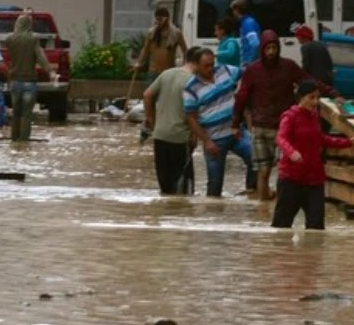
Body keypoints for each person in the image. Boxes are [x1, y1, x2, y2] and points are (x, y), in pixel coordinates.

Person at [233, 30, 341, 201]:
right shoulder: (253, 70)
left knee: (283, 170)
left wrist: (333, 93)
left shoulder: (288, 66)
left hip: (283, 127)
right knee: (264, 171)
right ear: (262, 48)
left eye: (274, 47)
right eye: (268, 48)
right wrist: (235, 123)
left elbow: (309, 82)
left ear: (279, 48)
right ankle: (264, 210)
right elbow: (241, 97)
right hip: (260, 127)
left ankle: (281, 206)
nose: (271, 52)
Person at [272, 80, 354, 229]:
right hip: (291, 179)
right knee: (281, 226)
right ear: (301, 98)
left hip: (314, 178)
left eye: (317, 98)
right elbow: (280, 137)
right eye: (311, 97)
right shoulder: (290, 116)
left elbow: (320, 138)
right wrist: (292, 152)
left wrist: (347, 142)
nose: (315, 102)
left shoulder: (314, 116)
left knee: (316, 227)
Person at [183, 49, 251, 197]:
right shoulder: (191, 88)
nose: (210, 69)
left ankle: (251, 192)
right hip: (214, 140)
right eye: (206, 66)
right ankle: (213, 213)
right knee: (215, 183)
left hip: (236, 132)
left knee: (256, 158)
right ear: (197, 66)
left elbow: (249, 73)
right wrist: (206, 141)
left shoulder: (225, 70)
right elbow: (191, 118)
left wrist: (244, 94)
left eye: (212, 64)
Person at [143, 46, 200, 195]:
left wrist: (150, 118)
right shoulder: (194, 82)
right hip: (180, 138)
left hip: (160, 135)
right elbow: (194, 113)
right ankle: (178, 217)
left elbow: (147, 95)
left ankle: (166, 215)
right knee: (184, 190)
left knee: (166, 188)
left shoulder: (166, 74)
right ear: (198, 63)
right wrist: (195, 136)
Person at [4, 14, 52, 142]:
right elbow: (40, 56)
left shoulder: (10, 39)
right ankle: (23, 140)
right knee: (26, 114)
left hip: (14, 81)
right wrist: (49, 71)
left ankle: (14, 139)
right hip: (29, 81)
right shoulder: (33, 38)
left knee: (16, 113)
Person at [134, 6, 187, 81]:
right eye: (157, 19)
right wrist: (139, 62)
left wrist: (185, 65)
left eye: (161, 19)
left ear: (167, 18)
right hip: (153, 71)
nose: (159, 22)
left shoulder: (176, 33)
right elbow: (145, 49)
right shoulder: (151, 33)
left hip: (169, 71)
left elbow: (185, 50)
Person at [229, 0, 262, 66]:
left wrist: (250, 63)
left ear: (236, 10)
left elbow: (255, 44)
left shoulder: (247, 23)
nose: (233, 13)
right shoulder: (247, 22)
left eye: (233, 10)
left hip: (249, 63)